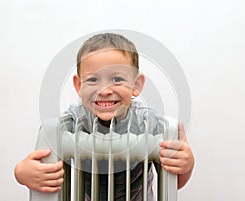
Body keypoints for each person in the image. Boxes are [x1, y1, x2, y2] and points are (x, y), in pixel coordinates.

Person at [14, 33, 194, 200]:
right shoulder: (71, 123)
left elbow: (173, 183)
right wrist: (22, 173)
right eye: (93, 80)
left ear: (136, 85)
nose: (105, 91)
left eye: (117, 79)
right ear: (79, 85)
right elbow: (39, 162)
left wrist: (186, 165)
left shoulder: (150, 125)